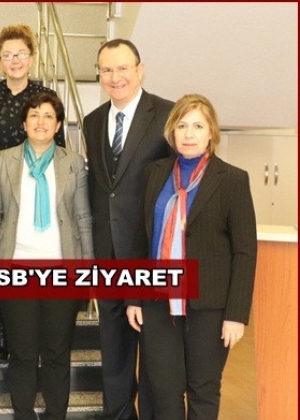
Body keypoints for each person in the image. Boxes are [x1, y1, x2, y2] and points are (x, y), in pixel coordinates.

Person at [126, 94, 257, 419]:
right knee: (164, 391)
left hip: (209, 306)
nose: (189, 134)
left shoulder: (232, 180)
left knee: (203, 390)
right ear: (172, 132)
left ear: (211, 132)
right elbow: (141, 238)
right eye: (182, 125)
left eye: (198, 126)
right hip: (158, 301)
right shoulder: (155, 174)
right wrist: (133, 297)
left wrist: (236, 314)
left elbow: (244, 252)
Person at [0, 91, 93, 420]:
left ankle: (55, 415)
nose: (40, 121)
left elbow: (83, 218)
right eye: (34, 115)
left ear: (58, 125)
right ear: (24, 123)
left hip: (62, 270)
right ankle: (24, 414)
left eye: (48, 116)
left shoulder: (73, 162)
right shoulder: (2, 161)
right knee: (23, 353)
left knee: (57, 352)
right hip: (16, 268)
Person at [82, 39, 174, 420]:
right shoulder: (92, 121)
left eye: (123, 68)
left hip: (150, 254)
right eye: (106, 70)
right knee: (114, 355)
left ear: (140, 69)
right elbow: (102, 189)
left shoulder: (167, 115)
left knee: (155, 359)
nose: (115, 77)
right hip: (108, 256)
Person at [0, 23, 66, 361]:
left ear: (32, 57)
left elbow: (58, 145)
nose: (15, 60)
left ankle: (28, 332)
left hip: (35, 193)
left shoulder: (43, 96)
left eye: (21, 54)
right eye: (8, 55)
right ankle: (0, 329)